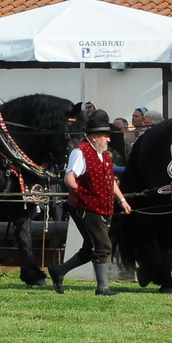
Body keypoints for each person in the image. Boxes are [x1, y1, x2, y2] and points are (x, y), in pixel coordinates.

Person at [49, 109, 129, 296]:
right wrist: (76, 188)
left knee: (90, 247)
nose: (108, 139)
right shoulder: (80, 152)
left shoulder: (104, 155)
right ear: (94, 137)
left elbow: (110, 181)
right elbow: (70, 176)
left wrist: (122, 199)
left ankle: (58, 271)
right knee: (102, 245)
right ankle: (102, 288)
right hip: (85, 206)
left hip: (101, 205)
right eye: (105, 136)